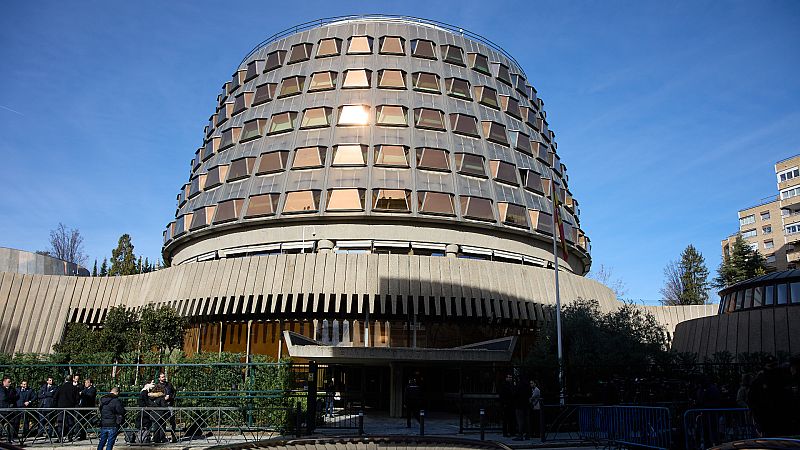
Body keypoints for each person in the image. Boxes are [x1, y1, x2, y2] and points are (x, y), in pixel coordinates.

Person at [53, 375, 79, 442]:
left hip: (61, 407)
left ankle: (60, 437)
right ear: (72, 380)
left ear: (65, 379)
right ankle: (70, 437)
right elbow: (77, 399)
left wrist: (55, 406)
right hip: (70, 407)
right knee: (70, 422)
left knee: (60, 422)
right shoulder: (74, 388)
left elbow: (55, 397)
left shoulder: (60, 387)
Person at [156, 372, 178, 443]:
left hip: (169, 404)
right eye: (162, 377)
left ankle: (173, 435)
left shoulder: (169, 384)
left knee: (172, 421)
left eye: (164, 377)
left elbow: (174, 392)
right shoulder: (157, 386)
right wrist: (163, 398)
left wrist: (170, 397)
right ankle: (162, 437)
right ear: (159, 378)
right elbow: (156, 396)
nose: (164, 378)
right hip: (162, 405)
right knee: (162, 421)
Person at [1, 376, 19, 443]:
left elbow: (17, 396)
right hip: (2, 410)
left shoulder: (12, 389)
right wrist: (11, 397)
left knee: (11, 425)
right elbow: (3, 398)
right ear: (4, 382)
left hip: (10, 410)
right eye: (8, 382)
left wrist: (10, 398)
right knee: (1, 425)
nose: (10, 383)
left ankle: (10, 439)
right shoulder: (1, 389)